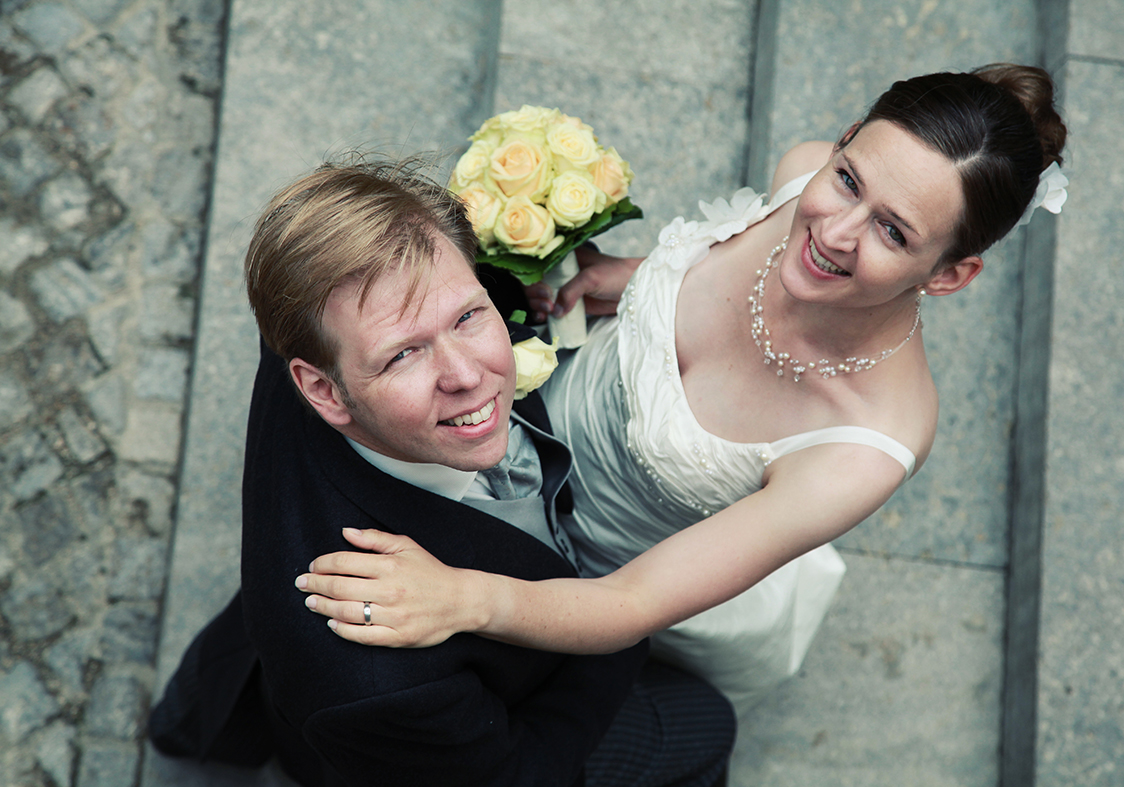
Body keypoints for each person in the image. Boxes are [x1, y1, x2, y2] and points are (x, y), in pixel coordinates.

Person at [294, 65, 1069, 713]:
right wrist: (629, 279)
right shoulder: (799, 181)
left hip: (584, 563)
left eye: (893, 231)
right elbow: (723, 264)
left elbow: (629, 603)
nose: (833, 231)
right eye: (847, 179)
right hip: (534, 408)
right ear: (836, 148)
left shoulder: (867, 441)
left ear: (952, 274)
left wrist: (464, 599)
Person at [147, 158, 736, 786]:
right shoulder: (373, 682)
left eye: (468, 316)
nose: (466, 374)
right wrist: (612, 628)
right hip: (477, 731)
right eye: (403, 355)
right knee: (708, 725)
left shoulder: (318, 303)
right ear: (323, 390)